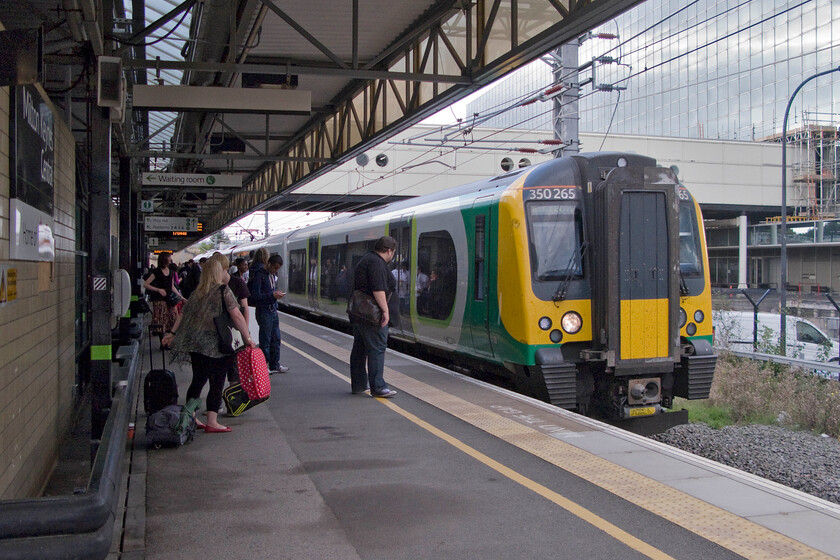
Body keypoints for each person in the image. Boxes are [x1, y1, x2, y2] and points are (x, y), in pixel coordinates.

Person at [162, 260, 256, 433]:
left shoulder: (196, 292)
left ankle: (190, 417)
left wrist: (172, 333)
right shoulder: (222, 290)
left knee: (198, 380)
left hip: (196, 345)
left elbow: (183, 314)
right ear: (217, 273)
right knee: (217, 381)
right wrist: (247, 337)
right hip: (217, 345)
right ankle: (212, 421)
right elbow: (236, 314)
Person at [350, 236, 397, 397]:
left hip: (360, 314)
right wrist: (385, 311)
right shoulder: (377, 263)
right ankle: (378, 386)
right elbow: (378, 289)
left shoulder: (366, 260)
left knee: (360, 349)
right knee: (377, 349)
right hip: (372, 316)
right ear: (389, 250)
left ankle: (359, 384)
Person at [208, 253, 250, 386]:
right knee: (227, 370)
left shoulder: (209, 286)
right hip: (226, 332)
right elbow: (243, 309)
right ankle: (228, 401)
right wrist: (246, 335)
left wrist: (246, 333)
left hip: (224, 332)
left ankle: (224, 402)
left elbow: (244, 309)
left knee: (224, 371)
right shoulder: (235, 283)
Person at [248, 249, 288, 374]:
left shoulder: (271, 276)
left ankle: (275, 364)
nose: (276, 271)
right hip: (264, 310)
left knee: (276, 338)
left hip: (272, 309)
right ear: (269, 264)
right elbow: (256, 295)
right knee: (265, 339)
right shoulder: (259, 275)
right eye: (275, 268)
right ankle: (264, 365)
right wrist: (272, 295)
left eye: (278, 269)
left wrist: (275, 295)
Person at [144, 252, 183, 338]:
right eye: (169, 257)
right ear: (165, 259)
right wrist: (158, 290)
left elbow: (172, 286)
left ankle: (168, 338)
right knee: (161, 320)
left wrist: (180, 296)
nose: (170, 259)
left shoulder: (171, 272)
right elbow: (146, 284)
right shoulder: (156, 272)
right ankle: (162, 341)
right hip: (159, 299)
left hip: (169, 299)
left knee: (173, 317)